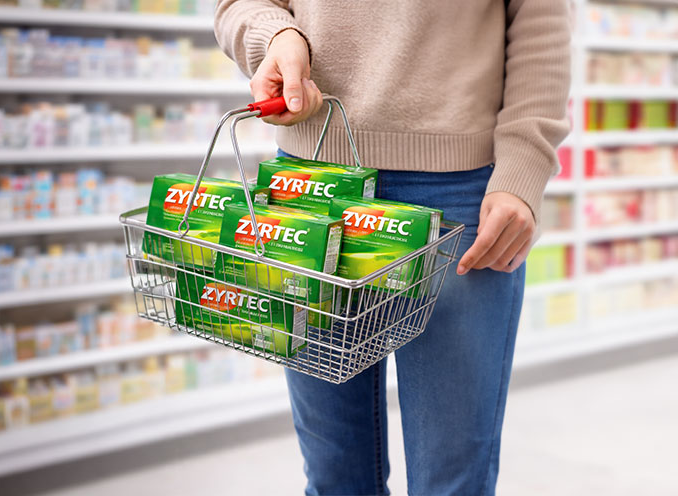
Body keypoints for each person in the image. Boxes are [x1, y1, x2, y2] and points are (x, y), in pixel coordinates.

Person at [215, 1, 571, 494]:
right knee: (334, 477)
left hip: (459, 190)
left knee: (451, 481)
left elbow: (541, 17)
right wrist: (275, 36)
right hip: (312, 183)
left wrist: (524, 165)